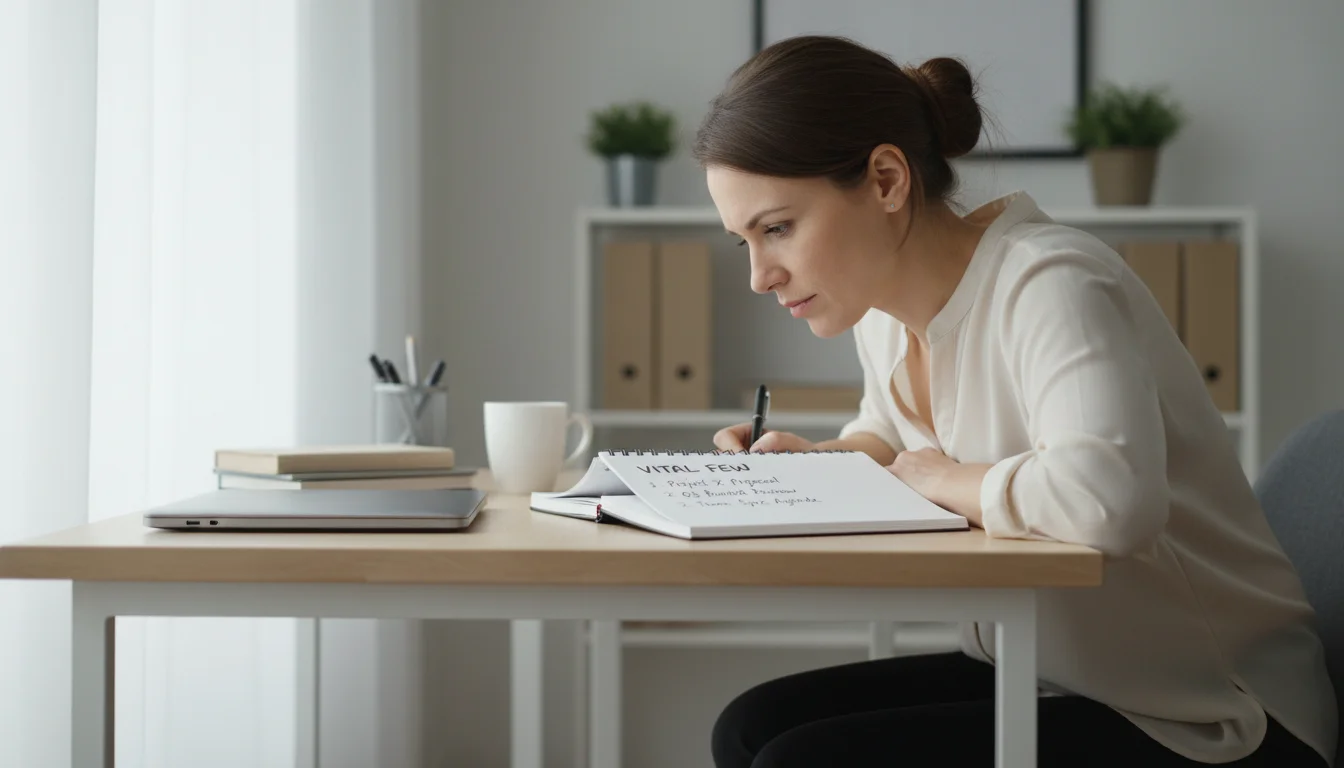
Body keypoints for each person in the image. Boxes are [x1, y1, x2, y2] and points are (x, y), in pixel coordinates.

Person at [696, 35, 1337, 768]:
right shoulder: (880, 309)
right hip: (1050, 669)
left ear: (884, 180)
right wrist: (814, 464)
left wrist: (941, 480)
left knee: (801, 757)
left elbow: (1109, 502)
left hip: (1213, 711)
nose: (759, 275)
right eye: (743, 241)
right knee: (748, 729)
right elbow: (889, 437)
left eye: (777, 228)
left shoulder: (1050, 282)